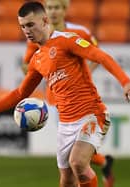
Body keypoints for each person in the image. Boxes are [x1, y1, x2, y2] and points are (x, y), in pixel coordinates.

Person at [0, 2, 130, 187]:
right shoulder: (37, 59)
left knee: (78, 163)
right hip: (66, 124)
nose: (27, 30)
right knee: (66, 180)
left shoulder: (67, 40)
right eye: (23, 26)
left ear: (45, 20)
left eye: (30, 25)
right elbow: (20, 92)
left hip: (91, 115)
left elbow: (100, 56)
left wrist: (125, 81)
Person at [22, 1, 114, 186]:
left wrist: (82, 73)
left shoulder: (79, 33)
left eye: (57, 7)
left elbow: (96, 54)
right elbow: (28, 64)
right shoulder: (37, 35)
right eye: (50, 7)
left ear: (64, 10)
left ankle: (98, 167)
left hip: (80, 100)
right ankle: (104, 162)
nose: (53, 11)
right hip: (56, 100)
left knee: (77, 158)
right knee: (74, 155)